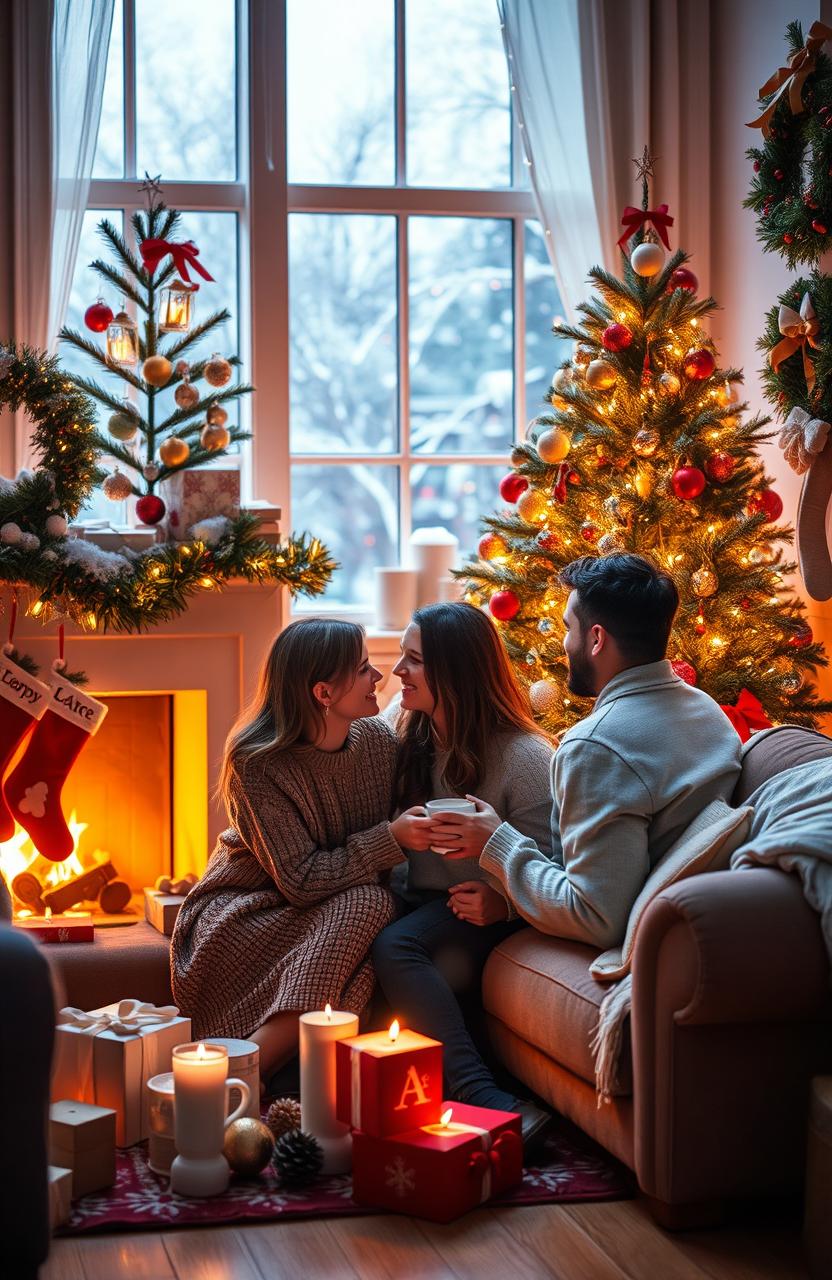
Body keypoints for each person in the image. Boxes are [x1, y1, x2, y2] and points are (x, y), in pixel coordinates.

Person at [440, 554, 743, 947]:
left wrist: (496, 841)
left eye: (569, 628)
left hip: (655, 935)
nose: (564, 642)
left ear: (596, 639)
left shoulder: (597, 746)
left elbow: (596, 916)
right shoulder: (706, 709)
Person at [171, 618, 421, 1082]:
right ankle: (250, 1070)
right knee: (372, 905)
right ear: (324, 693)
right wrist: (392, 839)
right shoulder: (257, 762)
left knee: (379, 909)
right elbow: (301, 881)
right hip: (249, 908)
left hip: (333, 907)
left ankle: (268, 1068)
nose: (379, 677)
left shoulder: (379, 743)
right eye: (364, 669)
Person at [371, 602, 556, 1134]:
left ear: (455, 672)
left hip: (486, 914)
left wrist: (503, 905)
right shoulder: (403, 730)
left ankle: (483, 1096)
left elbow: (559, 867)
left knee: (398, 946)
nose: (397, 671)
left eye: (414, 660)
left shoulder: (525, 757)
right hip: (420, 898)